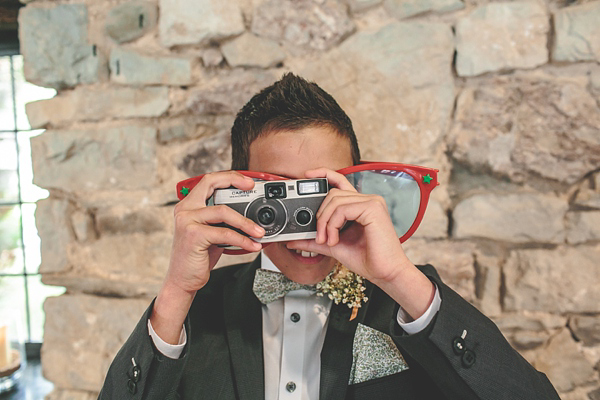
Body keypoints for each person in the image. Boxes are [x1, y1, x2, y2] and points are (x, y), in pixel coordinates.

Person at [98, 73, 560, 400]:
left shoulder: (409, 302)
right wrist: (177, 290)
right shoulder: (191, 311)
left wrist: (399, 278)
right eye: (279, 197)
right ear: (240, 192)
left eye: (319, 195)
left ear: (354, 189)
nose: (304, 225)